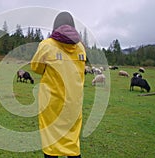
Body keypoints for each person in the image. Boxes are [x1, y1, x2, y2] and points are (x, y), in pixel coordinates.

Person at [31, 11, 86, 158]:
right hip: (74, 103)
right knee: (72, 140)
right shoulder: (80, 47)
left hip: (52, 104)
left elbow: (36, 68)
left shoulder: (47, 45)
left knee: (51, 139)